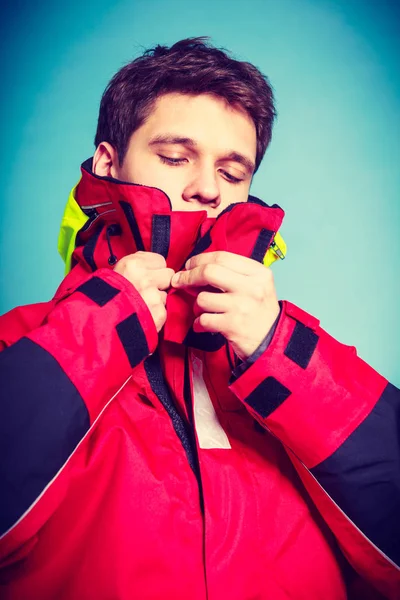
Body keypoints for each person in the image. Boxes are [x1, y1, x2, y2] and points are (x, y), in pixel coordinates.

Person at [0, 37, 398, 600]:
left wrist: (280, 354)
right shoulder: (20, 343)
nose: (208, 188)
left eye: (233, 172)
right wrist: (102, 324)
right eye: (174, 156)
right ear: (107, 163)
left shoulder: (294, 349)